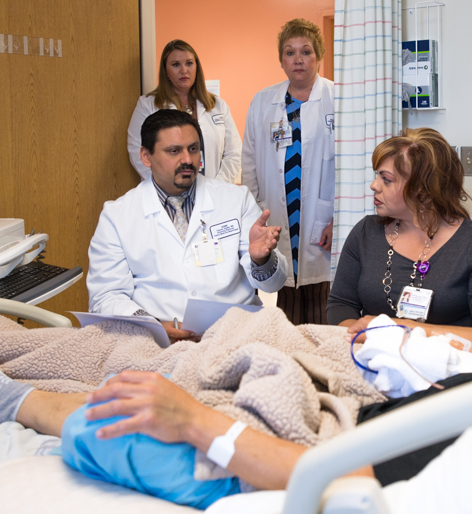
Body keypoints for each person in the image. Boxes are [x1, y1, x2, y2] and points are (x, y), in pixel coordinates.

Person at [0, 245, 472, 509]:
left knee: (117, 413)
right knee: (158, 353)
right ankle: (7, 360)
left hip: (318, 443)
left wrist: (197, 425)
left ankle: (15, 402)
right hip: (345, 387)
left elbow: (342, 479)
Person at [88, 110, 287, 343]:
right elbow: (106, 296)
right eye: (174, 151)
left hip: (234, 334)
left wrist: (261, 260)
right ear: (146, 156)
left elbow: (274, 283)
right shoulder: (117, 215)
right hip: (155, 340)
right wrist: (153, 325)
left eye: (193, 149)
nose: (187, 160)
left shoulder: (236, 199)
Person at [327, 128, 472, 341]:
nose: (374, 185)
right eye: (377, 175)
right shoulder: (366, 232)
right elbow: (341, 305)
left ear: (423, 190)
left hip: (448, 368)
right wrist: (371, 339)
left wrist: (397, 333)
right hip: (371, 358)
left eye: (386, 179)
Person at [242, 19, 335, 325]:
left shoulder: (337, 99)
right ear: (281, 60)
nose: (298, 59)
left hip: (321, 213)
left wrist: (337, 219)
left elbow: (349, 166)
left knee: (322, 289)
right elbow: (250, 160)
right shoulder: (262, 102)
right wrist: (255, 211)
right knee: (285, 286)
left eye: (306, 52)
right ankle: (290, 358)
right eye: (290, 52)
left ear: (318, 56)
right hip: (279, 211)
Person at [128, 40, 242, 183]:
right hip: (168, 193)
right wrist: (168, 185)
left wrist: (217, 187)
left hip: (215, 192)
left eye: (189, 63)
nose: (184, 70)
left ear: (197, 67)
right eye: (176, 64)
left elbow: (234, 153)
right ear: (165, 70)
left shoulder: (218, 106)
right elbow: (137, 151)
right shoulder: (148, 105)